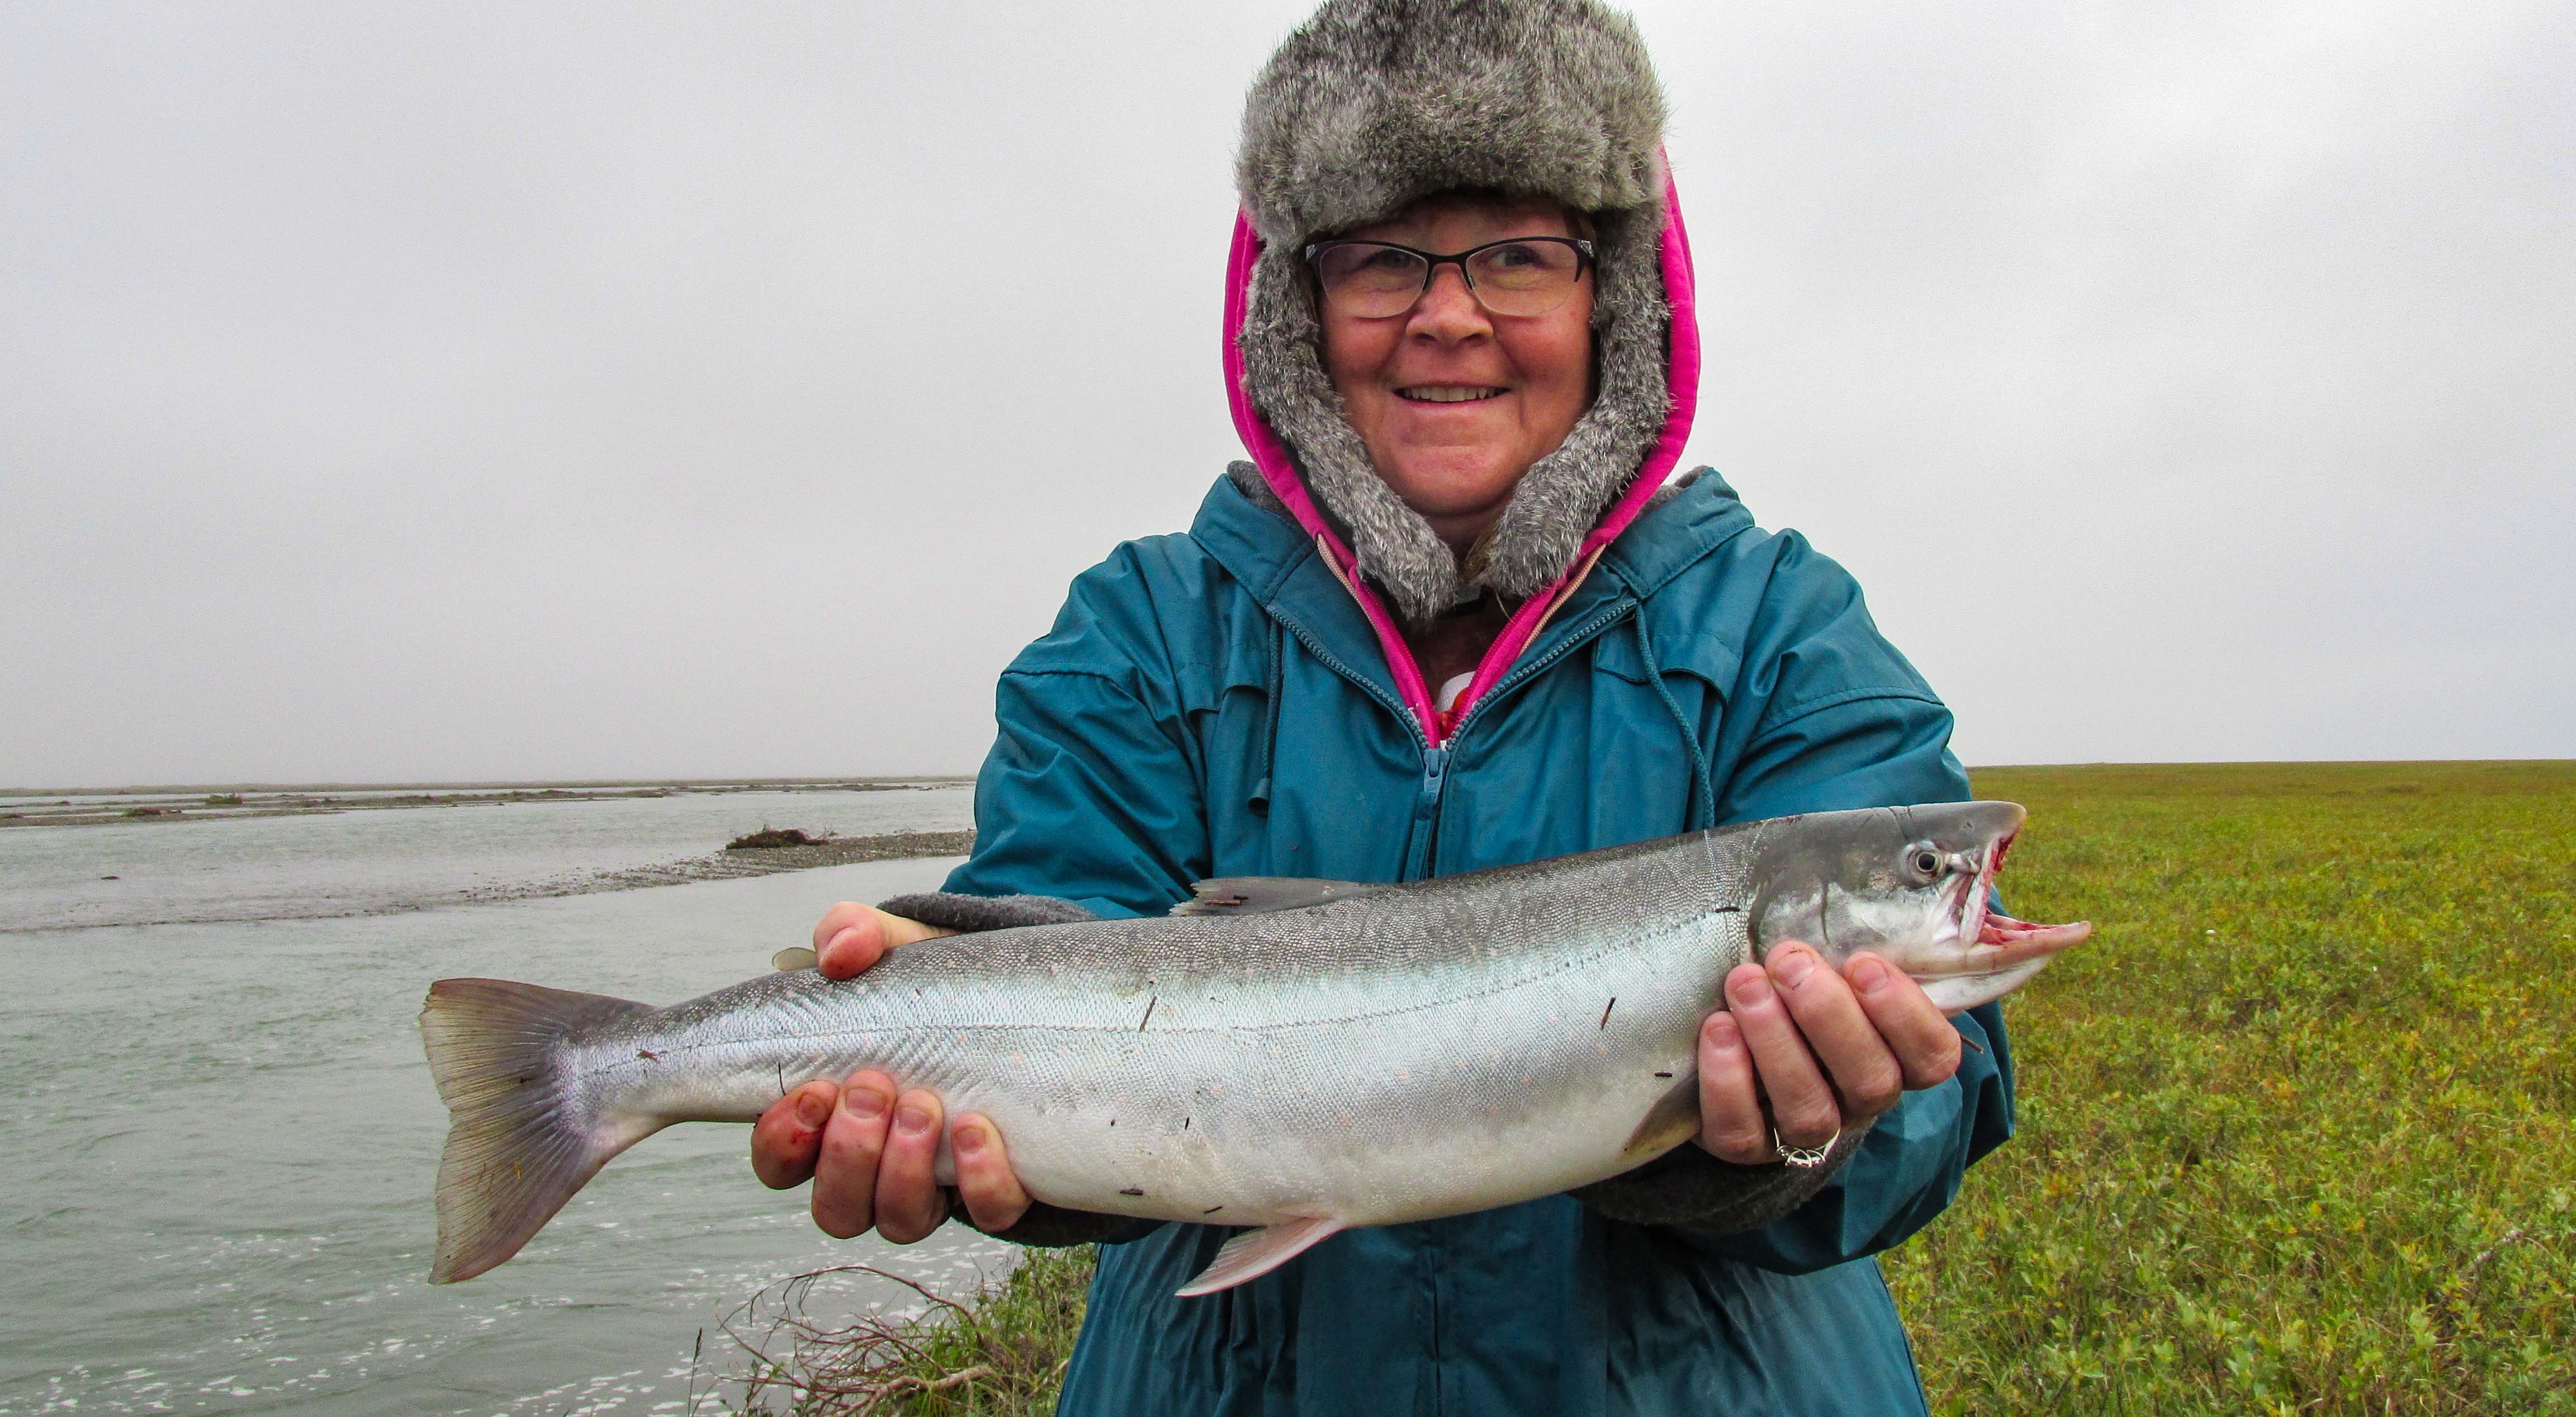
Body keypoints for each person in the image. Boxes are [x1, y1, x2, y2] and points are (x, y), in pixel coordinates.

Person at [748, 2, 2012, 1411]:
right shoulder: (1143, 631)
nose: (1449, 312)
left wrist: (1790, 1140)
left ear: (1618, 298)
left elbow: (1950, 1099)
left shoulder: (1783, 624)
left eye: (1520, 256)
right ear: (1299, 310)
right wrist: (1002, 1141)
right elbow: (1054, 928)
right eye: (1382, 259)